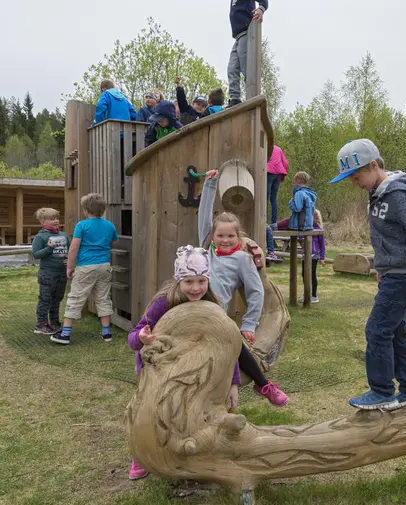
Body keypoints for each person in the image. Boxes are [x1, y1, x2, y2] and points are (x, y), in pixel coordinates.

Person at [329, 138, 406, 410]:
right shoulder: (377, 192)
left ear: (372, 165)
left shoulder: (397, 195)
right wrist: (383, 267)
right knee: (395, 331)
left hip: (405, 275)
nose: (354, 183)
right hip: (393, 273)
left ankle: (382, 391)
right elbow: (387, 236)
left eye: (356, 176)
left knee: (377, 329)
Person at [127, 245, 241, 480]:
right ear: (178, 280)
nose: (196, 288)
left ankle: (193, 446)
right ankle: (140, 454)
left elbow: (228, 346)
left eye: (201, 281)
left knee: (190, 410)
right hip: (160, 367)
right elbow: (133, 337)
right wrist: (142, 338)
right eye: (188, 281)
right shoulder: (164, 302)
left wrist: (233, 383)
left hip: (195, 368)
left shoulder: (212, 304)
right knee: (152, 411)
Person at [199, 170, 288, 406]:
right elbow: (204, 219)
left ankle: (263, 385)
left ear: (238, 236)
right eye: (220, 235)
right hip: (191, 308)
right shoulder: (205, 251)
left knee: (235, 346)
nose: (225, 239)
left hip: (216, 314)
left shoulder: (242, 259)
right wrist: (210, 186)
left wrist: (249, 324)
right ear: (212, 236)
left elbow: (256, 292)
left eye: (230, 235)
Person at [52, 193, 118, 345]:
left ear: (86, 210)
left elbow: (74, 247)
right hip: (104, 266)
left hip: (86, 267)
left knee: (76, 297)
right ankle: (106, 332)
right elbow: (113, 243)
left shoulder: (82, 225)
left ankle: (65, 334)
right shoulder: (110, 226)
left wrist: (69, 266)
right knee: (103, 298)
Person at [227, 0, 268, 107]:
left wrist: (261, 9)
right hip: (238, 37)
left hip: (245, 34)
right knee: (232, 68)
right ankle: (234, 98)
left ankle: (252, 96)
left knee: (246, 68)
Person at [31, 208, 70, 335]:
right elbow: (36, 254)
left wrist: (69, 260)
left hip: (61, 273)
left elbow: (70, 250)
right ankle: (41, 325)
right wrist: (49, 248)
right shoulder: (40, 237)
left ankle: (54, 323)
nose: (56, 221)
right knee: (45, 299)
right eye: (52, 219)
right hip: (47, 274)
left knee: (57, 299)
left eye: (57, 218)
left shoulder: (63, 235)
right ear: (43, 222)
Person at [298, 209, 325, 304]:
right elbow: (301, 238)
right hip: (305, 254)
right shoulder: (306, 228)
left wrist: (322, 257)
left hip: (314, 255)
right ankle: (306, 294)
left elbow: (322, 245)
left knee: (312, 274)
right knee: (303, 274)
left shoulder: (319, 230)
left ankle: (314, 296)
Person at [267, 145, 289, 229]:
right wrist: (282, 176)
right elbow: (285, 163)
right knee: (274, 198)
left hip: (269, 172)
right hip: (279, 173)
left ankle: (264, 222)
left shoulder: (266, 147)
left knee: (265, 197)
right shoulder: (278, 149)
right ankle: (274, 223)